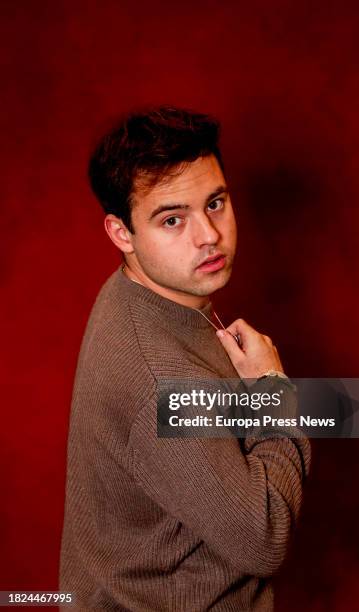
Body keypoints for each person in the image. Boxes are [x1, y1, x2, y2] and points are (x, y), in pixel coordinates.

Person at [59, 106, 311, 611]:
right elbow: (263, 537)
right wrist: (273, 390)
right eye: (172, 219)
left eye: (215, 203)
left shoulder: (140, 295)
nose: (209, 236)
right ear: (121, 234)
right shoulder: (161, 379)